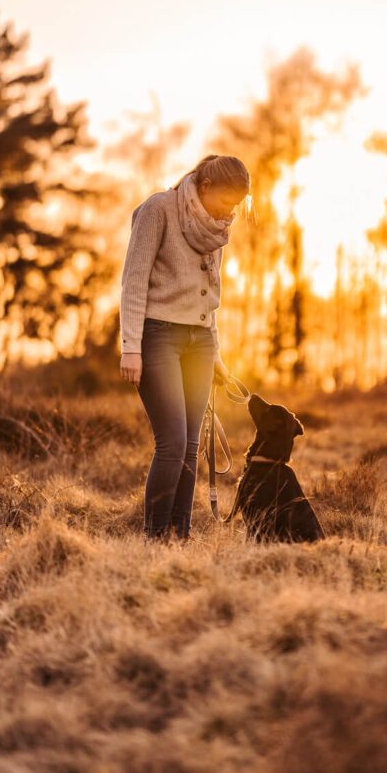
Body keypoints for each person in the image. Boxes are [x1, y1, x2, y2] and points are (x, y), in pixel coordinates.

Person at [119, 154, 251, 542]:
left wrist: (216, 355)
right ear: (204, 186)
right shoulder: (158, 209)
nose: (229, 213)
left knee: (193, 446)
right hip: (157, 335)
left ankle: (181, 535)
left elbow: (210, 297)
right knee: (173, 442)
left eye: (236, 206)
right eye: (226, 202)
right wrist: (130, 347)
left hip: (200, 342)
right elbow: (134, 280)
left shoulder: (216, 229)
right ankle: (155, 537)